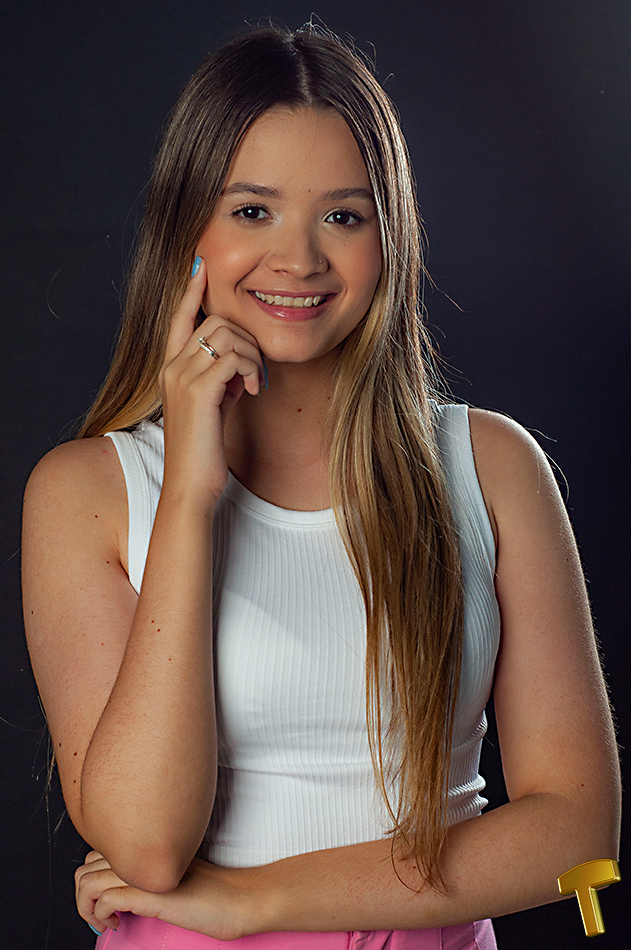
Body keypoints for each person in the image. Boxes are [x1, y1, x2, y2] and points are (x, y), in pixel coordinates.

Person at [21, 23, 620, 950]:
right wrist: (189, 496)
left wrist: (257, 900)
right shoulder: (86, 491)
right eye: (251, 211)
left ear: (391, 235)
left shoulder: (492, 466)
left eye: (343, 216)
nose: (298, 260)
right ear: (186, 230)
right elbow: (146, 845)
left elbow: (575, 832)